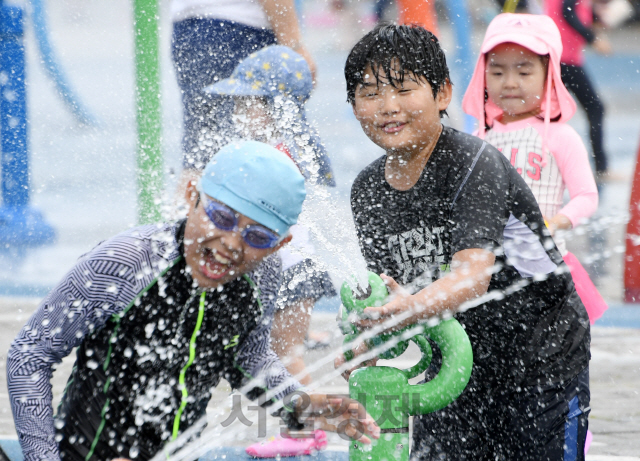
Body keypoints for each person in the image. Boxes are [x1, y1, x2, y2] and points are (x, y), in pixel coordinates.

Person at [7, 141, 379, 461]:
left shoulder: (263, 277)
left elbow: (246, 356)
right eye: (221, 216)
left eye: (259, 236)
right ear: (192, 196)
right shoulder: (124, 265)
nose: (232, 244)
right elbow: (30, 354)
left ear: (280, 245)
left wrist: (301, 404)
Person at [337, 24, 590, 459]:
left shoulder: (474, 163)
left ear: (443, 94)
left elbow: (472, 277)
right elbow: (388, 289)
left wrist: (410, 308)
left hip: (541, 355)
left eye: (403, 89)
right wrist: (367, 340)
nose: (387, 107)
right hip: (455, 357)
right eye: (370, 92)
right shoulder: (367, 190)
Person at [205, 44, 338, 458]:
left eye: (248, 104)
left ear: (277, 107)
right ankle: (305, 429)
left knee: (286, 354)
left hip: (292, 269)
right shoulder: (297, 147)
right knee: (280, 352)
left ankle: (309, 431)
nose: (238, 113)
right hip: (297, 267)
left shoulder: (276, 155)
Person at [461, 13, 606, 323]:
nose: (510, 83)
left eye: (524, 72)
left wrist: (557, 222)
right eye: (497, 72)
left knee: (554, 350)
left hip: (546, 267)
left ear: (548, 75)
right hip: (493, 272)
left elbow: (586, 195)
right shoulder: (478, 140)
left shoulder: (560, 136)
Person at [171, 0, 317, 190]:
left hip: (190, 28)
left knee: (201, 160)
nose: (236, 114)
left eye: (242, 105)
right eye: (240, 105)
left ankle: (188, 215)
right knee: (258, 154)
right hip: (241, 29)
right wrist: (294, 46)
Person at [545, 0, 614, 179]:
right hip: (565, 60)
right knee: (595, 108)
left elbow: (570, 12)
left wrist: (596, 18)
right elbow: (568, 14)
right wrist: (593, 39)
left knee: (548, 111)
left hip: (559, 58)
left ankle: (541, 163)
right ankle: (601, 167)